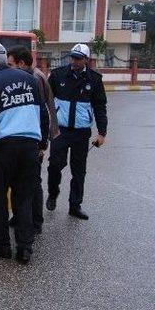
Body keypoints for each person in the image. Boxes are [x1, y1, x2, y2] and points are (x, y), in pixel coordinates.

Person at [0, 40, 49, 264]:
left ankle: (2, 246)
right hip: (29, 147)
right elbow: (42, 113)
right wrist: (42, 143)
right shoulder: (29, 78)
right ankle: (25, 248)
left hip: (4, 149)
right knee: (24, 198)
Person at [46, 43, 107, 220]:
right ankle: (52, 193)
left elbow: (100, 107)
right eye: (72, 57)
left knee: (78, 170)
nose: (74, 61)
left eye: (78, 58)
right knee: (55, 165)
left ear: (86, 60)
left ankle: (75, 205)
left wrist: (102, 133)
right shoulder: (58, 75)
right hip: (60, 131)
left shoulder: (94, 79)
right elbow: (47, 100)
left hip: (81, 133)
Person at [6, 45, 59, 234]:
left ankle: (36, 222)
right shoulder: (31, 75)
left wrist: (41, 144)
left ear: (21, 63)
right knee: (24, 181)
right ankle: (22, 217)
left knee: (33, 183)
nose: (8, 69)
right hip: (34, 136)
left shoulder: (33, 79)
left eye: (10, 64)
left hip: (34, 138)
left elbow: (41, 113)